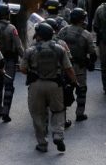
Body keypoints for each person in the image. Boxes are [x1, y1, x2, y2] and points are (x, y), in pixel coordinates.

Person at [19, 22, 76, 153]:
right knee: (58, 111)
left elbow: (22, 69)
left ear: (39, 36)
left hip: (36, 85)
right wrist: (75, 82)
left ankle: (42, 144)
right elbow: (69, 69)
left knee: (38, 115)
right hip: (55, 85)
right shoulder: (60, 49)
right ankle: (58, 135)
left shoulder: (30, 50)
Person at [55, 7, 97, 122]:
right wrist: (91, 63)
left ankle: (62, 117)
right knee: (81, 90)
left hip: (64, 67)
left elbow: (56, 45)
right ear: (82, 20)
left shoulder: (63, 30)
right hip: (79, 68)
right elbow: (92, 53)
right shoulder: (87, 34)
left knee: (63, 90)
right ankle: (80, 113)